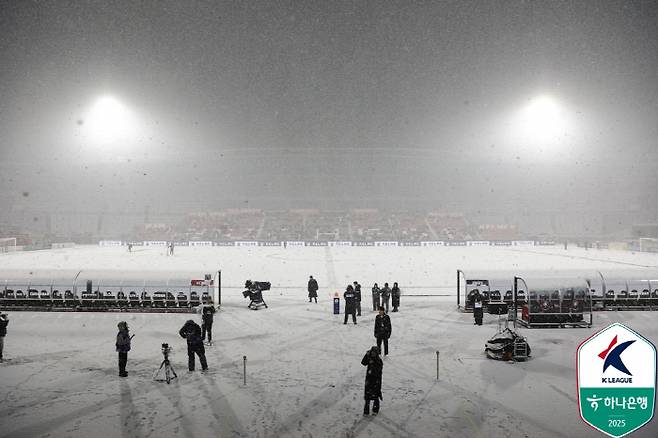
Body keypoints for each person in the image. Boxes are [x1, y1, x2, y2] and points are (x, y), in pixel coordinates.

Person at [361, 346, 383, 415]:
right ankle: (366, 411)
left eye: (374, 352)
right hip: (369, 380)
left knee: (375, 396)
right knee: (367, 396)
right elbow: (363, 363)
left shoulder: (379, 361)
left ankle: (375, 410)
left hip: (376, 381)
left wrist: (372, 364)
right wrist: (366, 355)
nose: (373, 354)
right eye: (372, 352)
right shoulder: (370, 358)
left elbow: (377, 371)